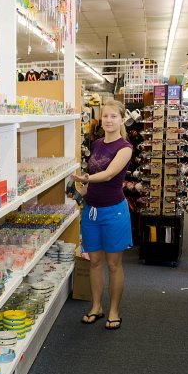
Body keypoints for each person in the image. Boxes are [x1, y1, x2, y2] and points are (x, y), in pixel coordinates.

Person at [70, 100, 133, 330]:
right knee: (95, 262)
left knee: (114, 264)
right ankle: (96, 306)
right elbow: (92, 178)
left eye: (113, 116)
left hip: (114, 212)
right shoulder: (96, 144)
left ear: (121, 119)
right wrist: (79, 192)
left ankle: (114, 310)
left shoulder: (124, 148)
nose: (108, 120)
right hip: (91, 212)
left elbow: (107, 175)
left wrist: (84, 179)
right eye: (105, 116)